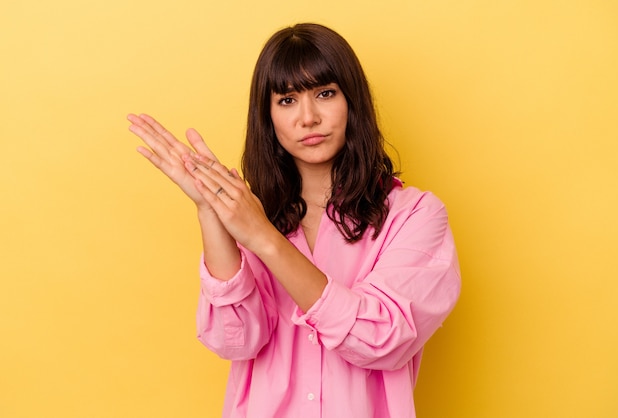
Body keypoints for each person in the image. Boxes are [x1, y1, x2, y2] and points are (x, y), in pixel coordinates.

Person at [128, 22, 460, 418]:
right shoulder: (251, 215)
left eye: (325, 94)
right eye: (287, 100)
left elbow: (380, 339)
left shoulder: (415, 216)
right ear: (268, 117)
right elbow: (234, 340)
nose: (308, 117)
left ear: (352, 101)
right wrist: (210, 211)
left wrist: (264, 239)